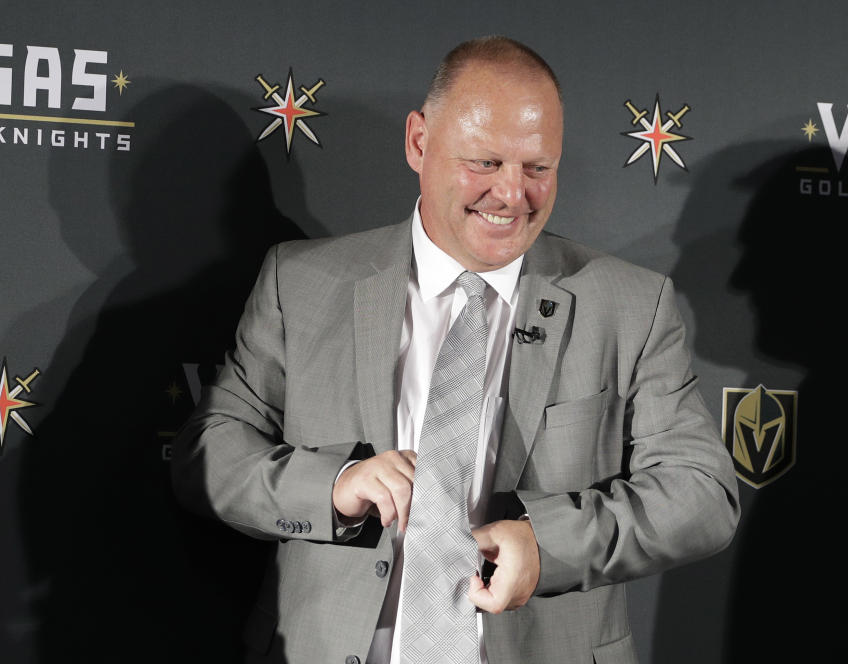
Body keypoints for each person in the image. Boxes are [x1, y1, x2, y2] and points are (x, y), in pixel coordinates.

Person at [172, 36, 739, 664]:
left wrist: (549, 544)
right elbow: (210, 455)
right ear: (419, 143)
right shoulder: (300, 283)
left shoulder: (631, 304)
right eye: (486, 163)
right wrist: (332, 485)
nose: (512, 195)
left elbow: (701, 494)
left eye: (537, 168)